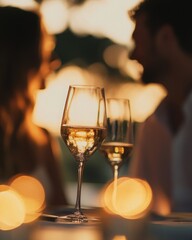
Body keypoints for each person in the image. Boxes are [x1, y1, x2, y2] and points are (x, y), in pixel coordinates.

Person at [0, 6, 68, 209]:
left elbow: (64, 217)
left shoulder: (42, 140)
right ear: (23, 58)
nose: (54, 62)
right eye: (45, 52)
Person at [128, 0, 192, 215]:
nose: (132, 55)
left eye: (138, 42)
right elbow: (139, 214)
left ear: (165, 37)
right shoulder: (152, 127)